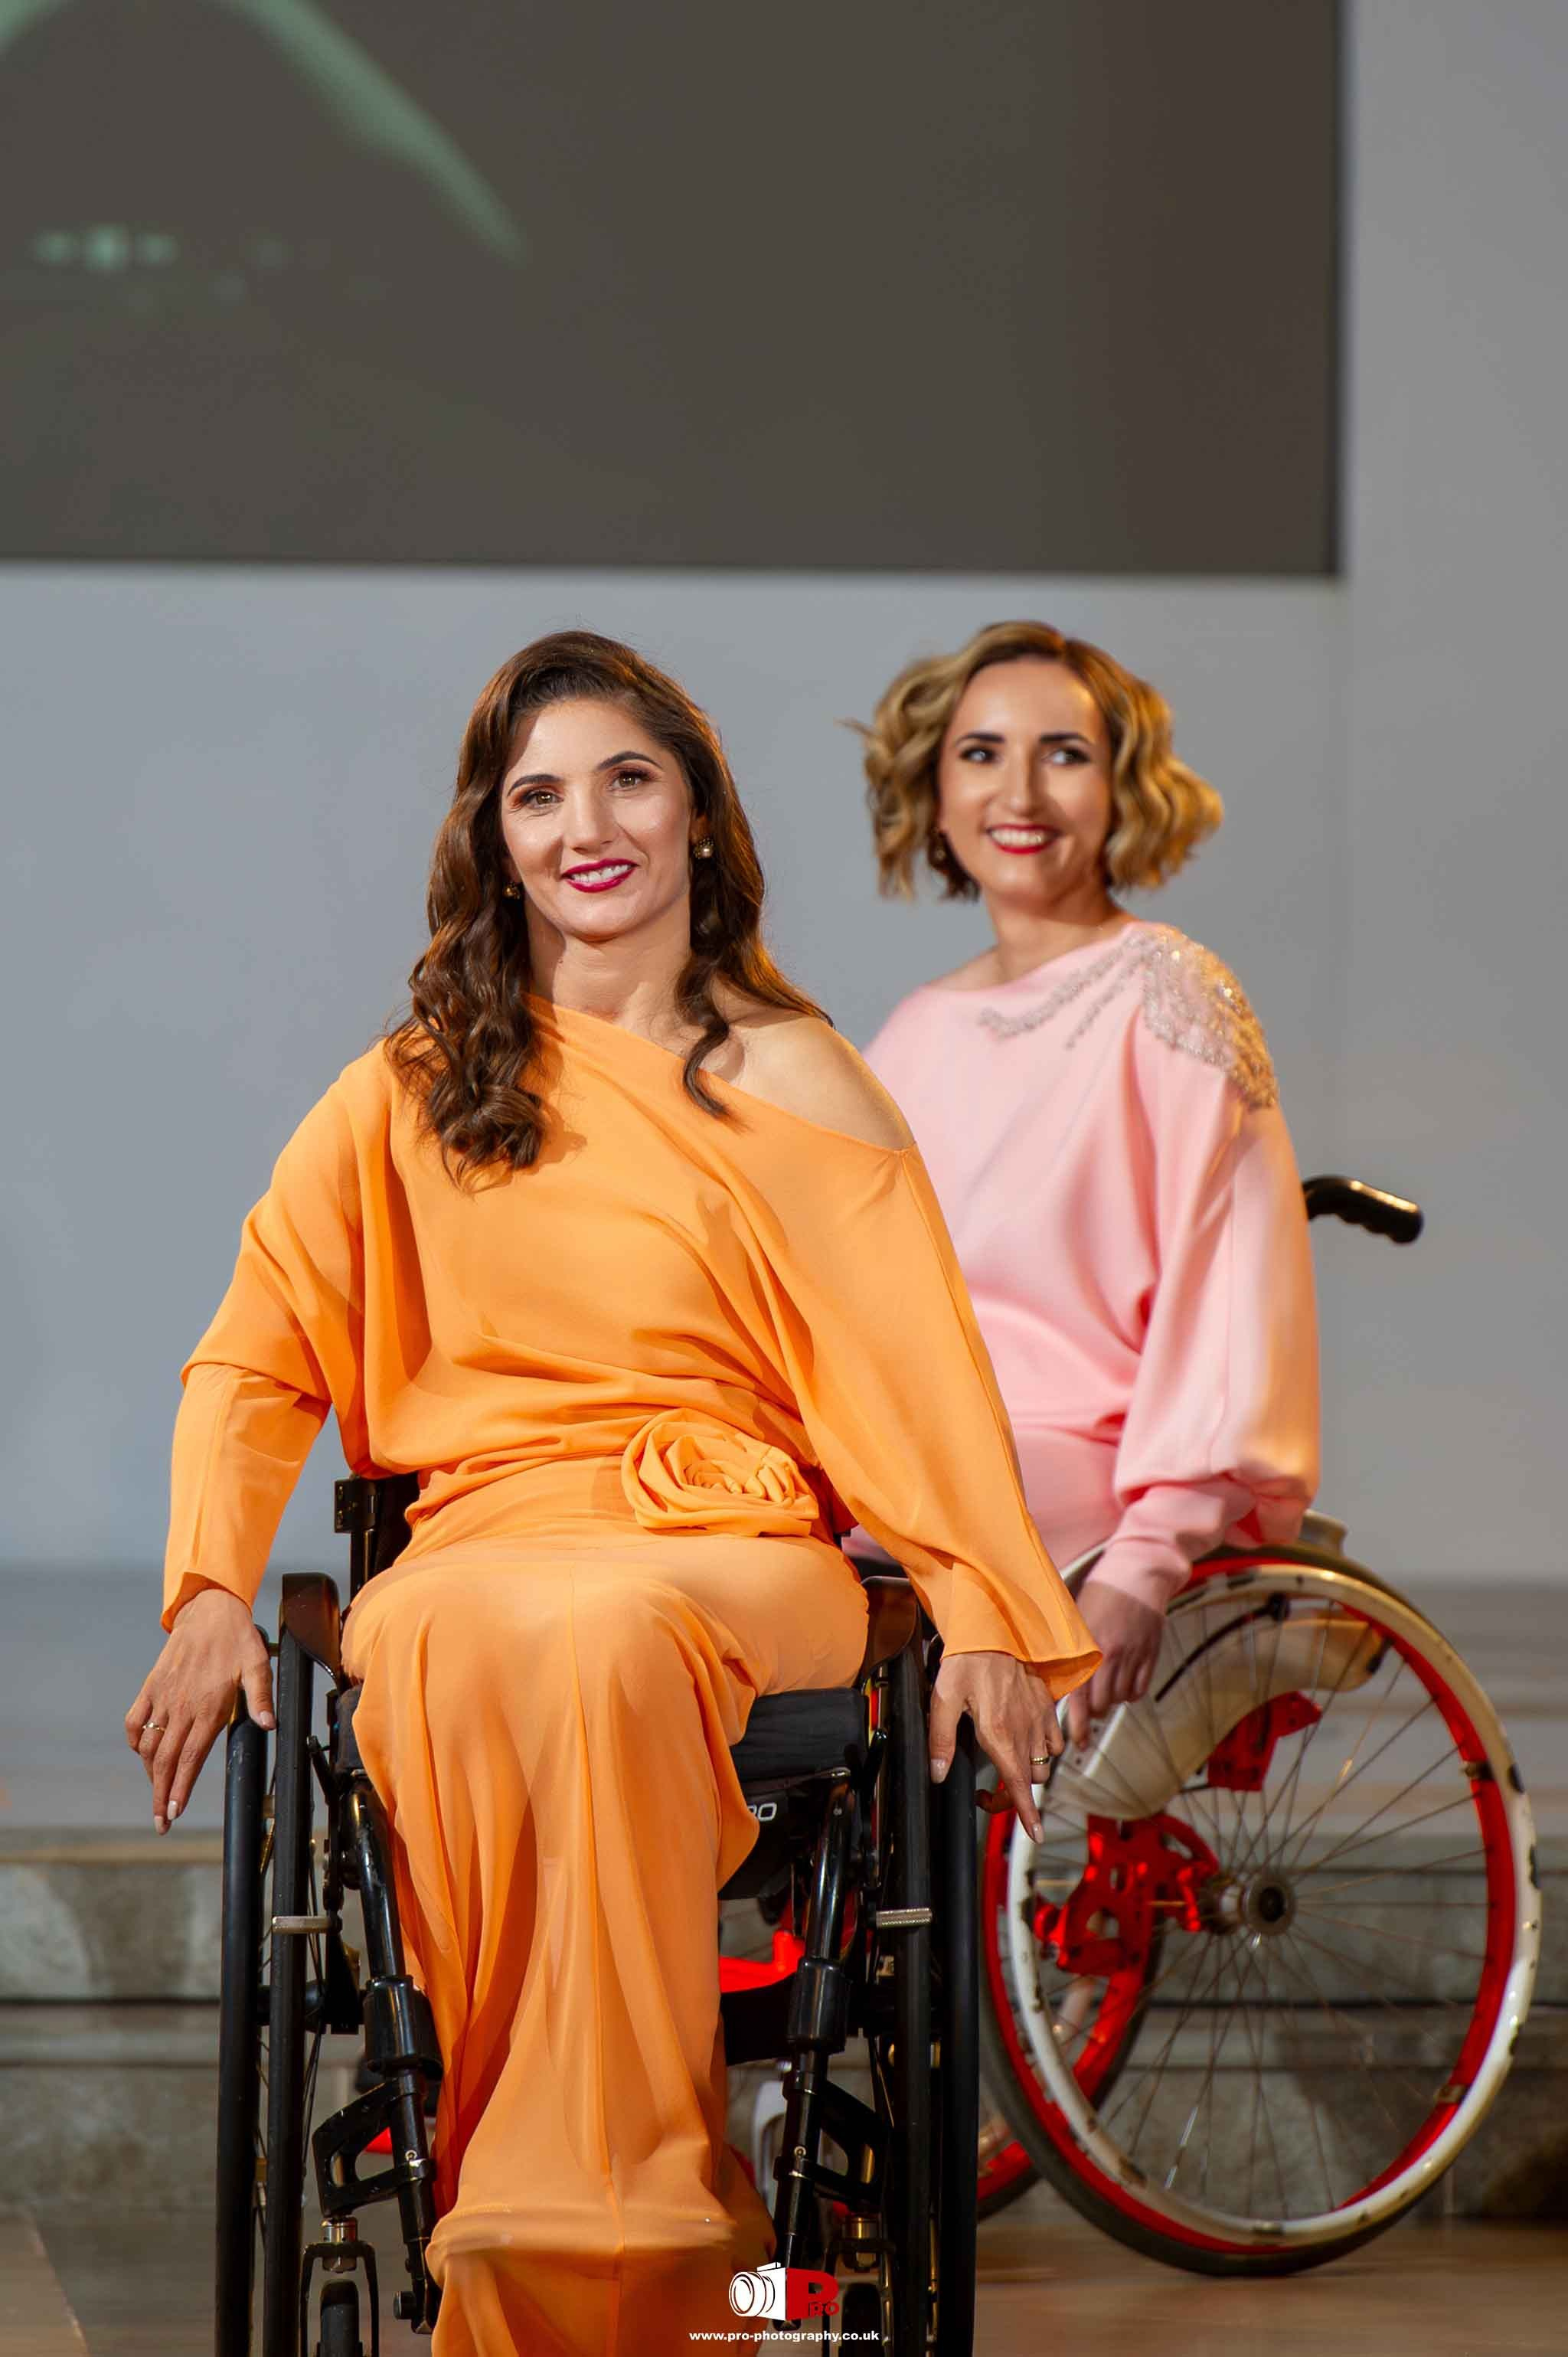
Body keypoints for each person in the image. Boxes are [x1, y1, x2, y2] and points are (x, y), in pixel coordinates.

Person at [124, 629, 1096, 2357]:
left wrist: (992, 1607)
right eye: (539, 793)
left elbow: (919, 1378)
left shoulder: (799, 1077)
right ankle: (589, 2244)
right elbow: (253, 1351)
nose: (590, 823)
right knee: (470, 1629)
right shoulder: (410, 1091)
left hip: (727, 1544)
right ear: (494, 841)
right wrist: (210, 1584)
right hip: (485, 1534)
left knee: (607, 1628)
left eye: (628, 779)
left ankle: (612, 2232)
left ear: (699, 818)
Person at [858, 619, 1318, 1750]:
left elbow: (1227, 1300)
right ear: (934, 786)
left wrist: (1149, 1557)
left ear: (1123, 789)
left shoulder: (1170, 995)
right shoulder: (913, 1034)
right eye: (980, 753)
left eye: (1064, 752)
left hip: (1079, 1466)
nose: (1019, 791)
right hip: (922, 1449)